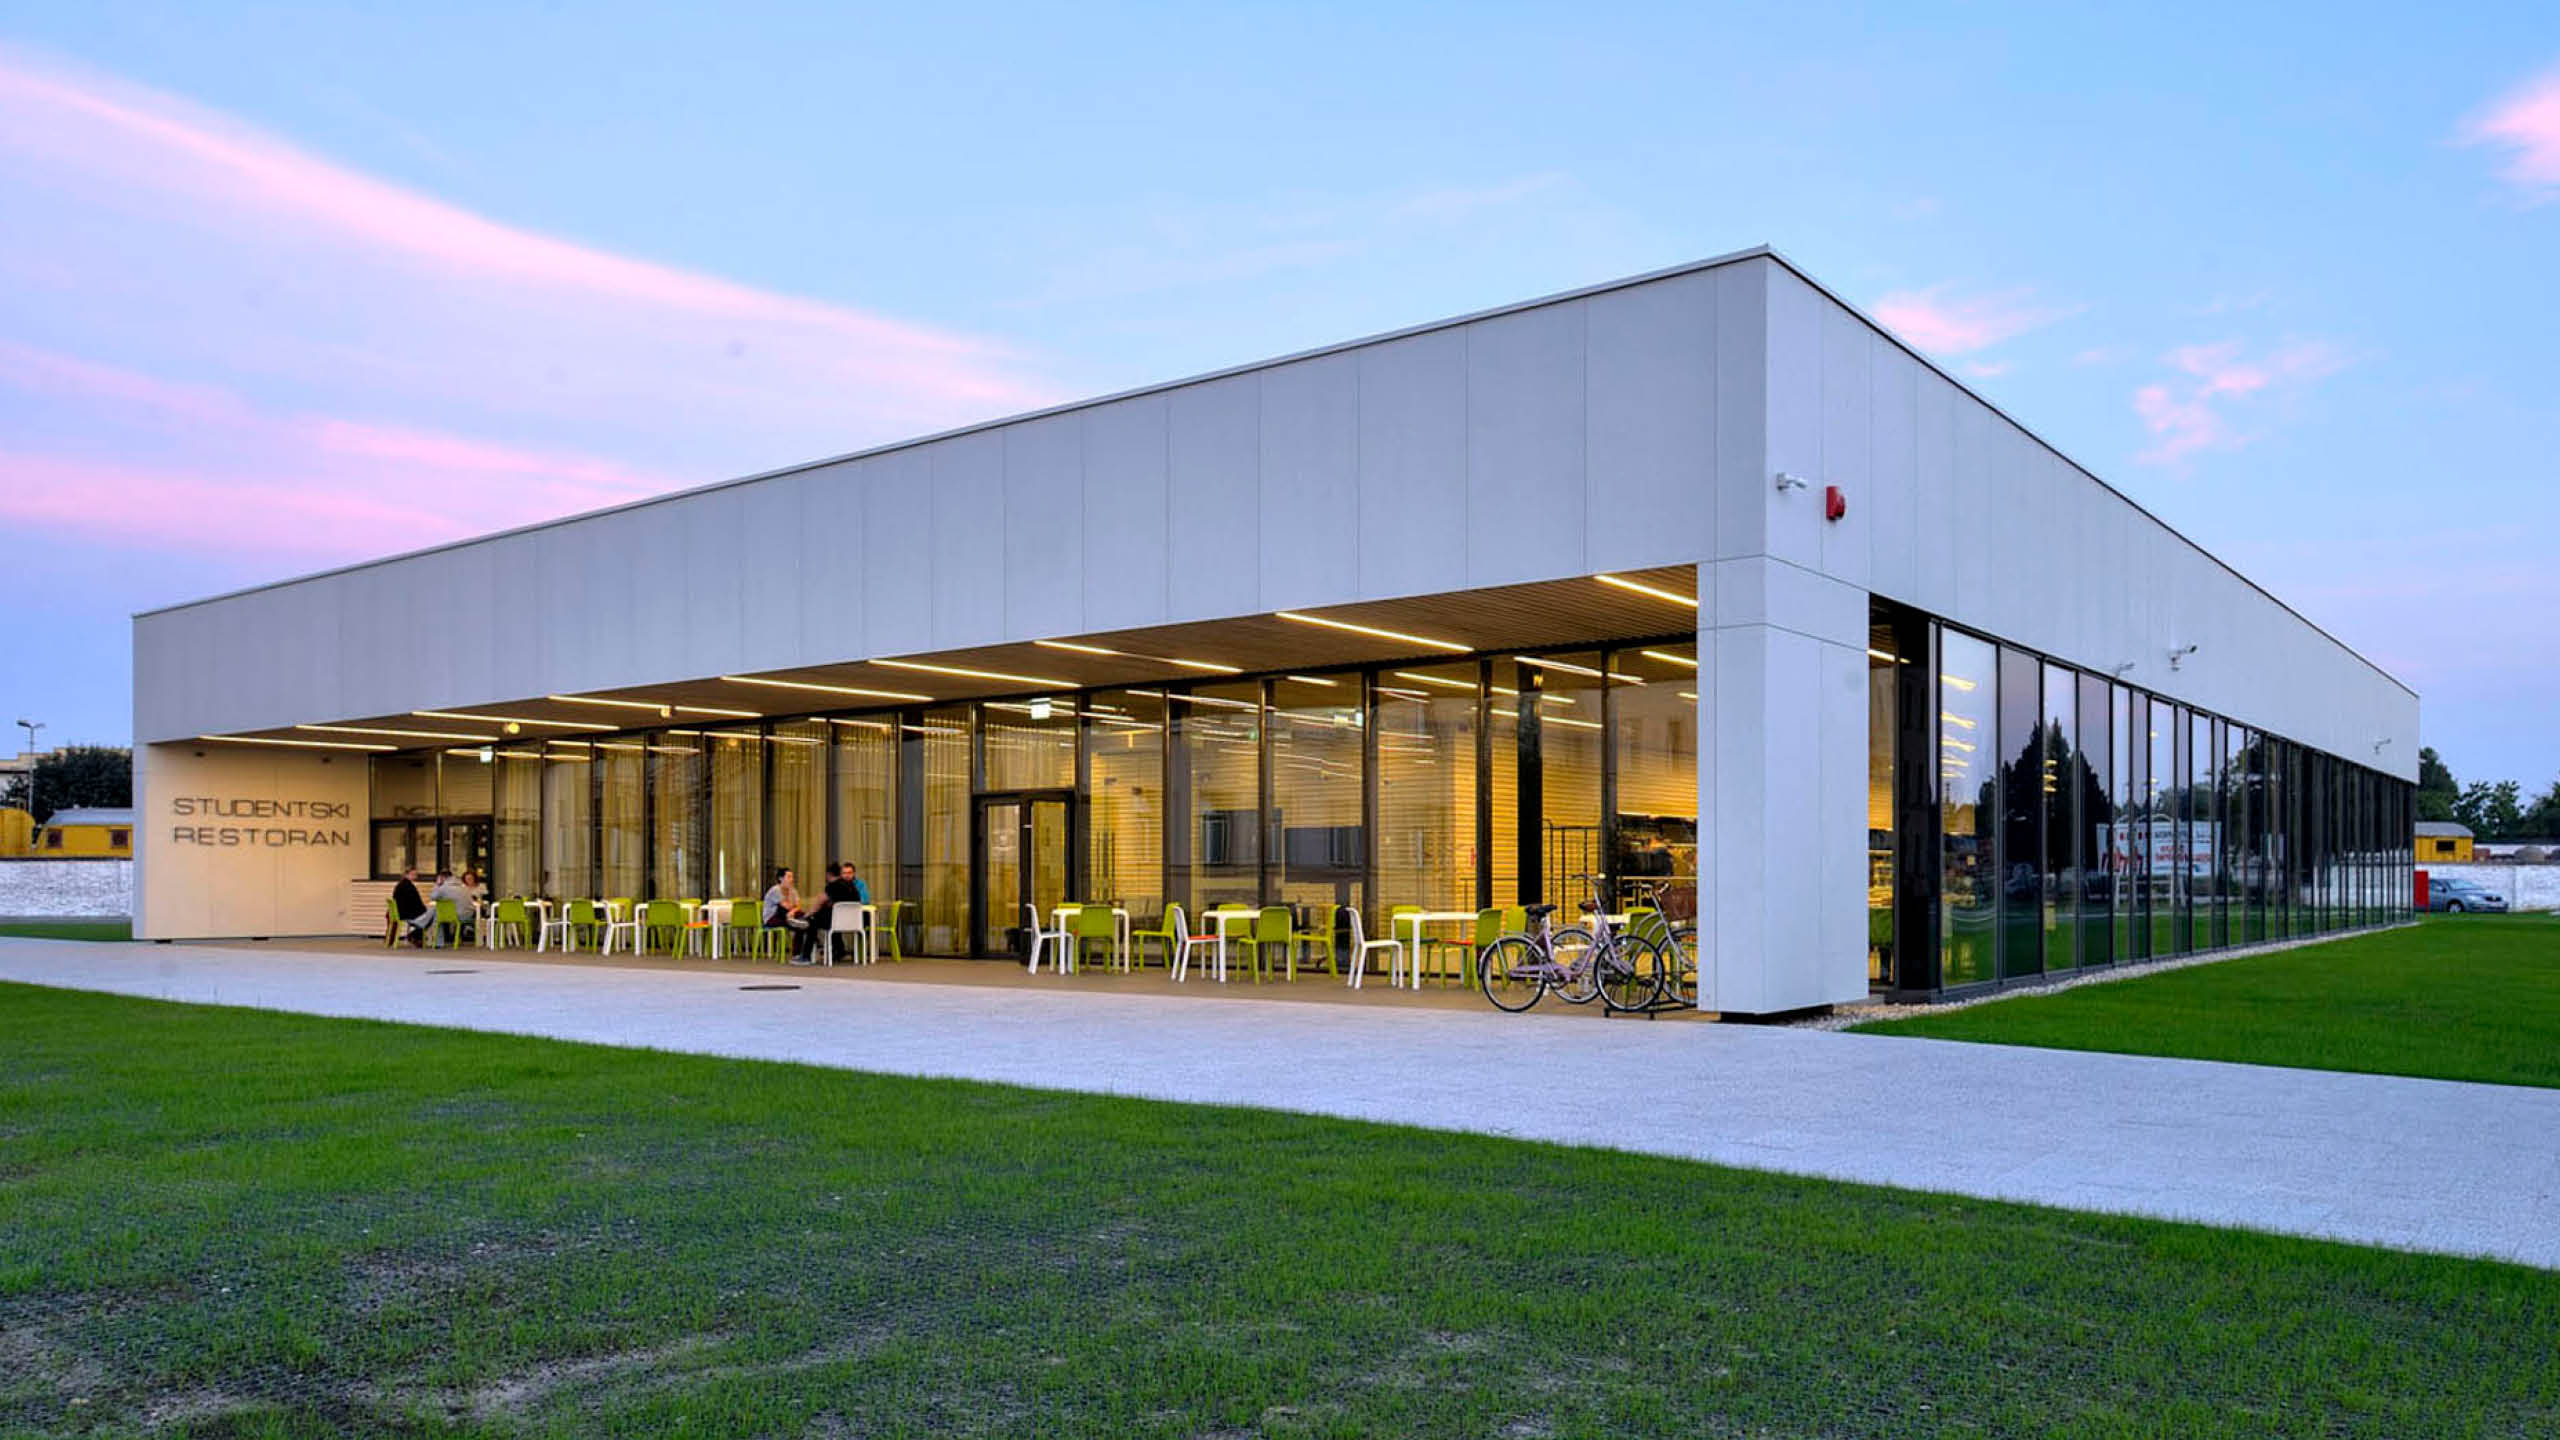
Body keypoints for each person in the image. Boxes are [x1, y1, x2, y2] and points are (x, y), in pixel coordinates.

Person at [764, 867, 810, 962]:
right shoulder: (775, 890)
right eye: (788, 877)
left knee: (800, 924)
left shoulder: (792, 890)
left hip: (788, 915)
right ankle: (798, 921)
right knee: (795, 917)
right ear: (781, 878)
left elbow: (798, 906)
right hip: (772, 918)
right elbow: (785, 905)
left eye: (792, 877)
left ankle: (796, 954)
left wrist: (793, 911)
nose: (791, 879)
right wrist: (793, 910)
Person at [426, 869, 474, 947]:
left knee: (436, 916)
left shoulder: (443, 888)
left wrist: (437, 884)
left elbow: (432, 897)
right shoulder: (463, 886)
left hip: (455, 915)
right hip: (468, 914)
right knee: (438, 914)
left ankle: (438, 943)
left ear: (442, 878)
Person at [391, 866, 430, 946]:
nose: (415, 876)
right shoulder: (408, 887)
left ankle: (416, 936)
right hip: (408, 913)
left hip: (401, 911)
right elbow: (416, 902)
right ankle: (414, 936)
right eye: (413, 874)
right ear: (406, 875)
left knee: (427, 916)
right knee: (431, 916)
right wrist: (425, 910)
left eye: (416, 874)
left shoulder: (401, 885)